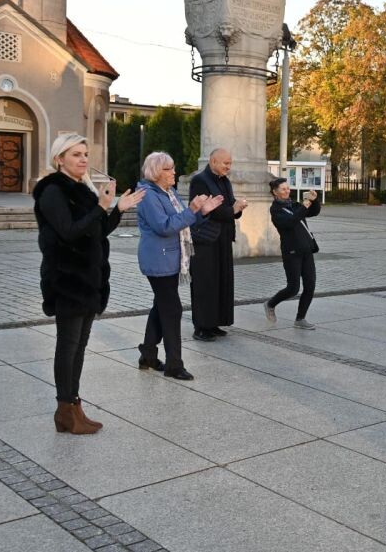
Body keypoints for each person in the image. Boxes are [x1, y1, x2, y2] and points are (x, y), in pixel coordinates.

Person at [34, 134, 144, 435]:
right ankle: (64, 410)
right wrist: (101, 206)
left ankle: (74, 406)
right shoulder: (52, 190)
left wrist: (117, 209)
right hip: (67, 279)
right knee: (67, 347)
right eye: (76, 155)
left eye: (85, 154)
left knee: (79, 347)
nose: (83, 160)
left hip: (88, 280)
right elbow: (69, 232)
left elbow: (96, 232)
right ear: (60, 159)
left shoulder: (82, 189)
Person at [137, 152, 223, 381]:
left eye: (173, 168)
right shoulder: (147, 195)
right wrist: (193, 210)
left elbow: (184, 221)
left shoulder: (168, 192)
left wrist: (202, 212)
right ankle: (174, 365)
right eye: (169, 169)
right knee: (172, 309)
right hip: (158, 259)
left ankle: (148, 354)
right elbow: (164, 226)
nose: (174, 172)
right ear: (156, 172)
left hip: (172, 258)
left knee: (161, 306)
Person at [189, 149, 248, 342]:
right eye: (225, 163)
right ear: (213, 161)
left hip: (223, 238)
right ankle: (201, 327)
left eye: (230, 163)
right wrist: (232, 209)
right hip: (206, 239)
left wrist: (238, 208)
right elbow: (207, 211)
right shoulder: (200, 180)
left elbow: (229, 207)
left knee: (221, 281)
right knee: (205, 282)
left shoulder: (225, 181)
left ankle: (214, 323)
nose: (228, 167)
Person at [264, 177, 321, 329]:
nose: (287, 191)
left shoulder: (294, 204)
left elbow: (312, 212)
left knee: (310, 285)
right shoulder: (276, 210)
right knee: (293, 288)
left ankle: (300, 318)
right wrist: (304, 205)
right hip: (291, 252)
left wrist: (314, 201)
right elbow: (291, 221)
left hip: (306, 249)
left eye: (288, 188)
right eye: (283, 189)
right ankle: (271, 303)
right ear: (275, 193)